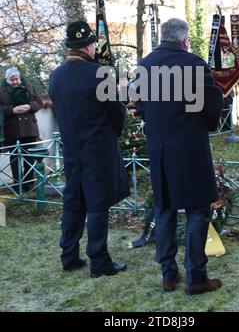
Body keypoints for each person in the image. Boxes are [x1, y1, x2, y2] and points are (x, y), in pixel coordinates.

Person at [136, 18, 223, 295]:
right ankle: (196, 277)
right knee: (198, 210)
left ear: (162, 38)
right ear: (184, 41)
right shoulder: (194, 64)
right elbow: (213, 103)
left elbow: (138, 104)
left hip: (159, 149)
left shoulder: (145, 65)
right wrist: (206, 123)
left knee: (164, 209)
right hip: (190, 149)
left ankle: (168, 275)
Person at [49, 20, 130, 277]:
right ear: (88, 46)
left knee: (74, 203)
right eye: (94, 43)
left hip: (71, 150)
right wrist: (114, 132)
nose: (96, 47)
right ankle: (99, 260)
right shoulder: (100, 73)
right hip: (97, 150)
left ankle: (69, 255)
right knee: (97, 204)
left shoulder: (55, 76)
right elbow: (117, 113)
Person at [0, 67, 43, 191]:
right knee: (15, 160)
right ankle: (17, 186)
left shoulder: (29, 86)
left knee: (29, 158)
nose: (15, 82)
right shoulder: (2, 91)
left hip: (29, 128)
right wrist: (12, 110)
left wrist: (29, 106)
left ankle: (29, 185)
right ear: (7, 80)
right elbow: (1, 109)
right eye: (12, 80)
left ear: (19, 77)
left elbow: (39, 102)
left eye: (16, 79)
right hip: (12, 130)